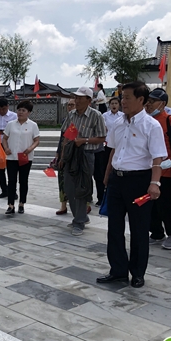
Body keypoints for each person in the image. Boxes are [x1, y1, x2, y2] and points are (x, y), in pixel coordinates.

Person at [97, 81, 167, 288]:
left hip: (139, 181)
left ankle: (137, 273)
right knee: (114, 227)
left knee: (139, 229)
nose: (123, 101)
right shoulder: (118, 123)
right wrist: (107, 175)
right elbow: (113, 150)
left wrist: (155, 183)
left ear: (141, 100)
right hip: (117, 180)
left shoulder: (151, 126)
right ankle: (118, 271)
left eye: (127, 97)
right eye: (122, 97)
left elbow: (157, 158)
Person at [60, 87, 107, 236]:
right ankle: (81, 217)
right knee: (69, 187)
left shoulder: (96, 115)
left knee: (81, 187)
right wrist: (62, 156)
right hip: (71, 154)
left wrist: (84, 140)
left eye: (80, 98)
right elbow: (67, 136)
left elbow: (102, 137)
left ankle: (79, 221)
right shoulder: (72, 115)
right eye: (76, 98)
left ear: (89, 100)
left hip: (86, 154)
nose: (77, 101)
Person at [144, 88, 171, 250]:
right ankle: (156, 233)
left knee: (164, 204)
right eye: (148, 101)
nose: (149, 104)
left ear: (162, 103)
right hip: (148, 168)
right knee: (150, 204)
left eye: (152, 101)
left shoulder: (169, 119)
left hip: (165, 169)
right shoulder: (146, 120)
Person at [2, 100, 40, 215]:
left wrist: (30, 148)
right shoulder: (11, 124)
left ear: (29, 112)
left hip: (25, 157)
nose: (20, 112)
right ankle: (10, 205)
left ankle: (22, 203)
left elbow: (37, 140)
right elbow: (4, 138)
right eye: (19, 110)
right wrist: (6, 148)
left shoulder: (33, 125)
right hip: (12, 157)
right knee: (11, 181)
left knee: (23, 181)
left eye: (23, 110)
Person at [94, 98, 124, 207]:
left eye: (116, 103)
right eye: (112, 103)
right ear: (109, 105)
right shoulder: (104, 116)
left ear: (119, 105)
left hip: (119, 146)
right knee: (102, 171)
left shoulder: (123, 116)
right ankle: (101, 197)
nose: (114, 105)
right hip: (106, 146)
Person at [55, 99, 76, 215]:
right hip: (64, 152)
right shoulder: (65, 120)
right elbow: (62, 138)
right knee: (62, 178)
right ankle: (63, 204)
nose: (70, 107)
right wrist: (58, 152)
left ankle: (84, 205)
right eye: (69, 105)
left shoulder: (80, 120)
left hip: (76, 152)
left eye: (72, 105)